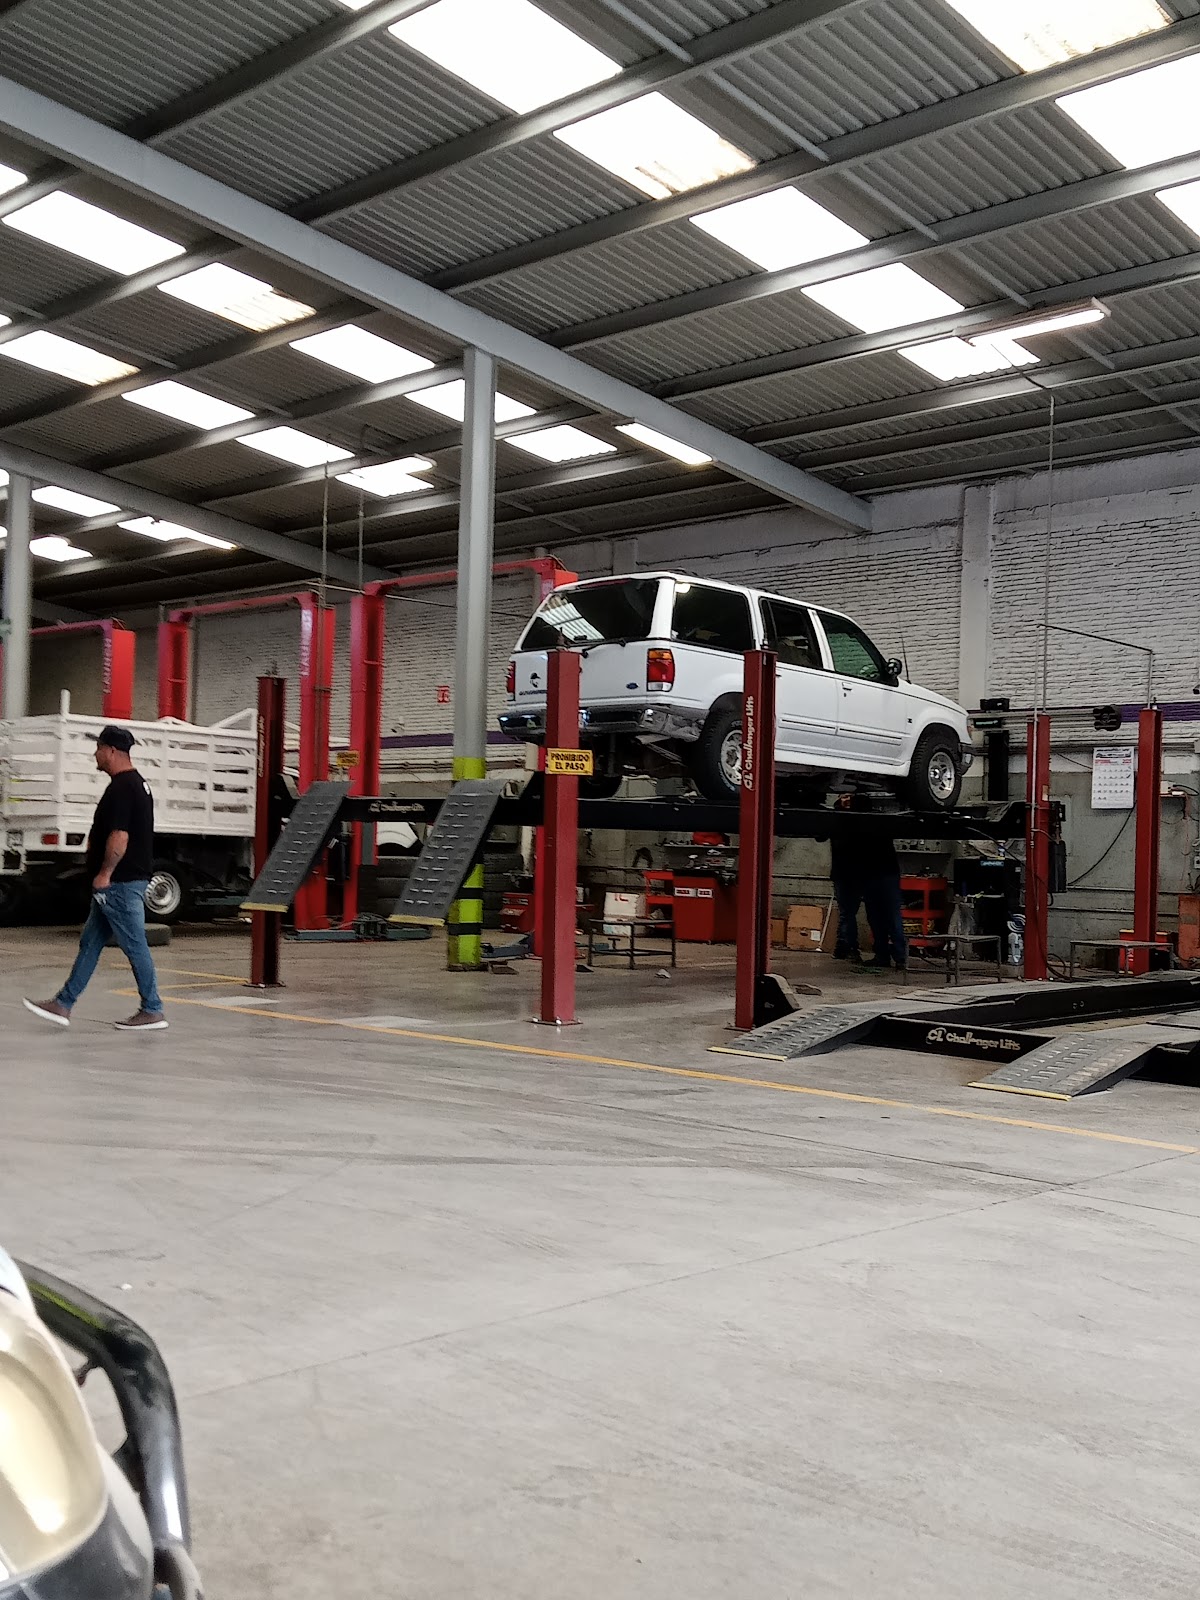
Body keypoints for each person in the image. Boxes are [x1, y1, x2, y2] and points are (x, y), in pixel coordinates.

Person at [24, 725, 167, 1031]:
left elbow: (120, 837)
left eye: (99, 748)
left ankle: (152, 1009)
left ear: (112, 751)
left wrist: (105, 874)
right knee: (90, 942)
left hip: (119, 883)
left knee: (135, 945)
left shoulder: (123, 788)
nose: (95, 754)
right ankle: (63, 1004)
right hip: (121, 883)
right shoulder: (136, 784)